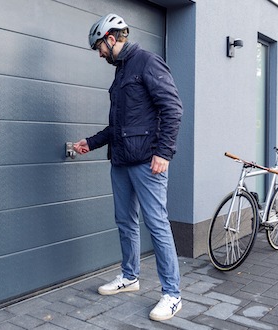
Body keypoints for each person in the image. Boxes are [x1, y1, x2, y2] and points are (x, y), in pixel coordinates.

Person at [74, 13, 183, 321]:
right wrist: (90, 143)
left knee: (157, 225)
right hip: (121, 161)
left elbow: (173, 108)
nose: (99, 54)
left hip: (148, 162)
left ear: (110, 38)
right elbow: (117, 126)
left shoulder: (147, 62)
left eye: (99, 47)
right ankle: (130, 276)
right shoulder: (121, 72)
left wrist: (164, 152)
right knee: (125, 222)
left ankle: (172, 294)